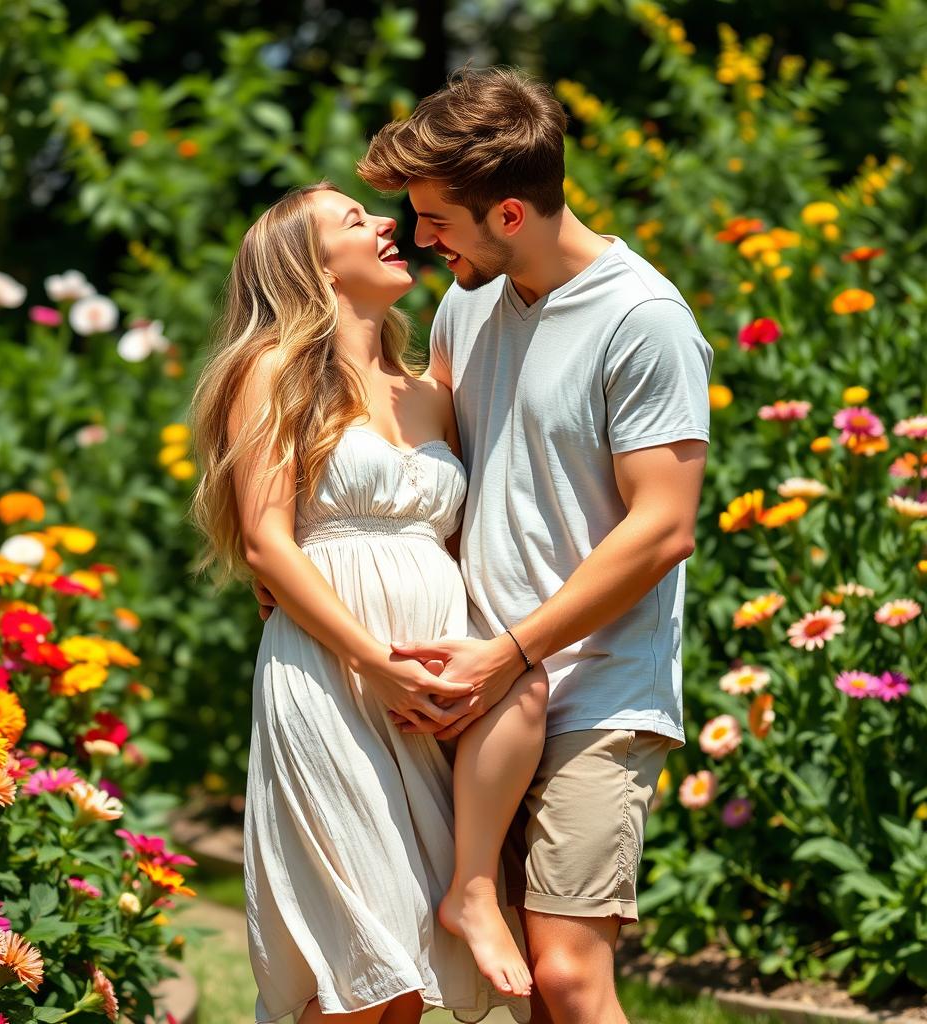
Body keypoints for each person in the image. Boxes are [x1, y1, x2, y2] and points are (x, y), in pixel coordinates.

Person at [351, 67, 714, 1024]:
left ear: (508, 212)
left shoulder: (644, 321)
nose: (421, 240)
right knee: (519, 994)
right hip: (480, 693)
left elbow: (663, 525)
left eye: (436, 220)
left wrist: (512, 649)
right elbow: (432, 476)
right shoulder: (465, 307)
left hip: (598, 686)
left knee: (565, 973)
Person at [189, 181, 548, 1024]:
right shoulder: (273, 369)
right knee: (355, 970)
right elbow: (267, 538)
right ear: (310, 266)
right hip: (331, 678)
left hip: (421, 691)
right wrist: (370, 660)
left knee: (404, 983)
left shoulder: (429, 390)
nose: (388, 222)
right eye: (355, 219)